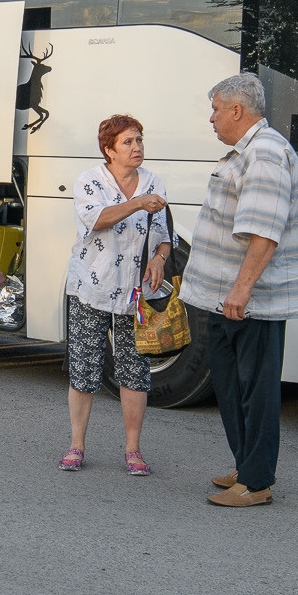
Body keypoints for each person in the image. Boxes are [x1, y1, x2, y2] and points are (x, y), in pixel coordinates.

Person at [181, 73, 298, 507]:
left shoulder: (266, 152)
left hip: (248, 302)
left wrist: (241, 291)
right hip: (225, 299)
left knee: (256, 391)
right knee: (233, 388)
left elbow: (264, 232)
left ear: (238, 110)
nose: (211, 118)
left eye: (216, 109)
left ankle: (256, 483)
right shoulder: (247, 151)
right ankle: (245, 463)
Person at [60, 115, 172, 476]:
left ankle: (133, 450)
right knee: (85, 370)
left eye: (139, 139)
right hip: (89, 288)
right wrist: (139, 204)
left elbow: (165, 234)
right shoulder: (89, 181)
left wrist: (159, 258)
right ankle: (77, 445)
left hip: (134, 293)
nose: (137, 147)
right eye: (128, 142)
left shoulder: (154, 182)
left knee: (134, 371)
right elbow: (96, 220)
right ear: (109, 150)